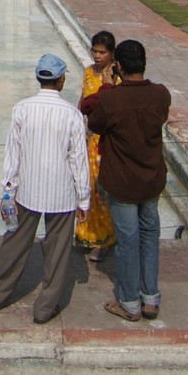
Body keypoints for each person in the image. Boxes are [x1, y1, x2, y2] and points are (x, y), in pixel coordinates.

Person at [0, 54, 91, 325]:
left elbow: (13, 154)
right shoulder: (72, 114)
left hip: (27, 191)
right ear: (62, 80)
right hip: (63, 194)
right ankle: (45, 308)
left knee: (15, 242)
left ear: (38, 78)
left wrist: (8, 190)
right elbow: (78, 159)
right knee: (57, 251)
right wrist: (84, 199)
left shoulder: (22, 109)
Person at [80, 37, 171, 322]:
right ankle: (150, 298)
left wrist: (108, 84)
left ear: (117, 65)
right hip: (151, 178)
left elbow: (92, 120)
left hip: (122, 181)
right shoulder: (160, 94)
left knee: (128, 241)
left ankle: (130, 302)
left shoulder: (111, 97)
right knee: (149, 236)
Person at [75, 31, 117, 260]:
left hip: (107, 142)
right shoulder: (90, 71)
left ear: (112, 53)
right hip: (89, 139)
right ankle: (87, 234)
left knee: (103, 191)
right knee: (87, 188)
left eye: (103, 52)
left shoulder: (116, 76)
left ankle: (106, 238)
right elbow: (82, 99)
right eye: (95, 51)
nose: (98, 56)